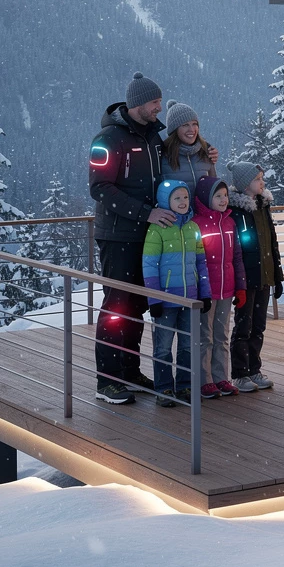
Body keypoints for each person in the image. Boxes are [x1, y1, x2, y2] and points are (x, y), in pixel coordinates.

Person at [89, 72, 175, 405]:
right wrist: (146, 213)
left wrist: (205, 153)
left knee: (137, 304)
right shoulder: (108, 139)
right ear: (138, 103)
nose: (159, 107)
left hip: (147, 237)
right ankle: (107, 380)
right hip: (117, 236)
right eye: (155, 102)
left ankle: (129, 371)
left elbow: (177, 160)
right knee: (116, 306)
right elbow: (99, 187)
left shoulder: (154, 137)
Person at [143, 180, 212, 407]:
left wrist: (205, 293)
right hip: (166, 299)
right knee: (163, 346)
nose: (183, 202)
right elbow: (150, 266)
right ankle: (163, 388)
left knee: (186, 345)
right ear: (166, 201)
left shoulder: (193, 228)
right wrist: (154, 299)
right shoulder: (157, 229)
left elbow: (201, 264)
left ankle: (184, 386)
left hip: (189, 298)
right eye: (176, 198)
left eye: (185, 197)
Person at [227, 161, 284, 392]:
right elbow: (235, 249)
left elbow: (272, 241)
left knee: (258, 325)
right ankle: (240, 373)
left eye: (261, 178)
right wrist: (237, 282)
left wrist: (277, 275)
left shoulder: (263, 206)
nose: (262, 182)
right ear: (244, 185)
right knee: (243, 325)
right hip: (246, 278)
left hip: (265, 276)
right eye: (257, 179)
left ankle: (254, 369)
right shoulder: (236, 211)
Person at [193, 176, 246, 399]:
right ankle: (204, 380)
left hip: (227, 288)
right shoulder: (196, 224)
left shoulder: (230, 222)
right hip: (208, 291)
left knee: (222, 335)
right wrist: (201, 290)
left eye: (225, 195)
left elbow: (237, 257)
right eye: (218, 196)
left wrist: (240, 287)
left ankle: (220, 377)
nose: (224, 200)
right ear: (207, 198)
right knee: (205, 336)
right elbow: (196, 261)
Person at [159, 100, 218, 194]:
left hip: (203, 209)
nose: (191, 129)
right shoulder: (162, 154)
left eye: (194, 124)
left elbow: (214, 189)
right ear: (174, 129)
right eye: (185, 125)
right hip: (175, 209)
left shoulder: (206, 151)